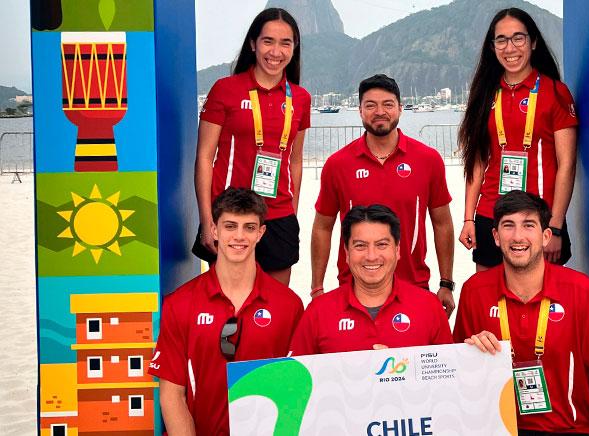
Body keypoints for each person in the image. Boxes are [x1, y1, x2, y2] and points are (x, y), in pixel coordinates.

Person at [454, 191, 589, 435]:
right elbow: (457, 376)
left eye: (528, 225)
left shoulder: (581, 291)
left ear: (546, 236)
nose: (518, 236)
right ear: (496, 237)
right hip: (499, 430)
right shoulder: (474, 291)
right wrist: (471, 351)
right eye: (508, 226)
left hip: (571, 430)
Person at [149, 188, 303, 435]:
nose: (239, 237)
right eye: (230, 226)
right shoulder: (180, 303)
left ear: (261, 233)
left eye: (249, 227)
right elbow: (172, 394)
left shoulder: (289, 305)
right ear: (213, 230)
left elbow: (295, 388)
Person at [311, 74, 456, 315]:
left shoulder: (428, 160)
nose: (380, 111)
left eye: (388, 104)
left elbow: (442, 223)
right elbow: (322, 227)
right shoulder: (337, 164)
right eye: (371, 105)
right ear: (359, 111)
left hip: (414, 286)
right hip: (353, 289)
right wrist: (317, 288)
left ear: (400, 108)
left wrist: (446, 283)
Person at [193, 8, 311, 285]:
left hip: (278, 214)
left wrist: (291, 210)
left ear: (295, 48)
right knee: (227, 309)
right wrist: (207, 219)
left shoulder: (301, 98)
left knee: (275, 309)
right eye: (268, 41)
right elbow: (204, 157)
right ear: (253, 44)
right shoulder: (226, 89)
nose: (276, 51)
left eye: (286, 43)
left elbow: (295, 159)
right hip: (230, 212)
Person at [458, 8, 578, 272]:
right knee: (489, 303)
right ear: (492, 47)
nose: (509, 48)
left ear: (533, 42)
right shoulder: (485, 93)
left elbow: (566, 164)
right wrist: (469, 218)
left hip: (540, 217)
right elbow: (477, 161)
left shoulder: (555, 92)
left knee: (542, 306)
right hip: (491, 215)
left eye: (518, 38)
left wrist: (555, 226)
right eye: (501, 40)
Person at [291, 205, 453, 355]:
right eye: (360, 246)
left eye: (381, 244)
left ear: (397, 250)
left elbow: (447, 378)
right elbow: (296, 379)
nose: (371, 256)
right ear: (346, 253)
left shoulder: (429, 306)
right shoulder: (318, 312)